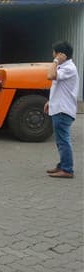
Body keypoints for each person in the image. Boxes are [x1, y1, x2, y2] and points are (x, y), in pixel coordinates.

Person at [45, 41, 79, 179]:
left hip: (63, 110)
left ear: (61, 54)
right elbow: (59, 87)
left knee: (63, 140)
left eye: (54, 52)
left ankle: (67, 169)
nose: (52, 55)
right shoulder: (64, 67)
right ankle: (62, 165)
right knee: (60, 140)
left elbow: (50, 76)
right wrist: (50, 102)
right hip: (59, 107)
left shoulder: (68, 68)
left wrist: (55, 61)